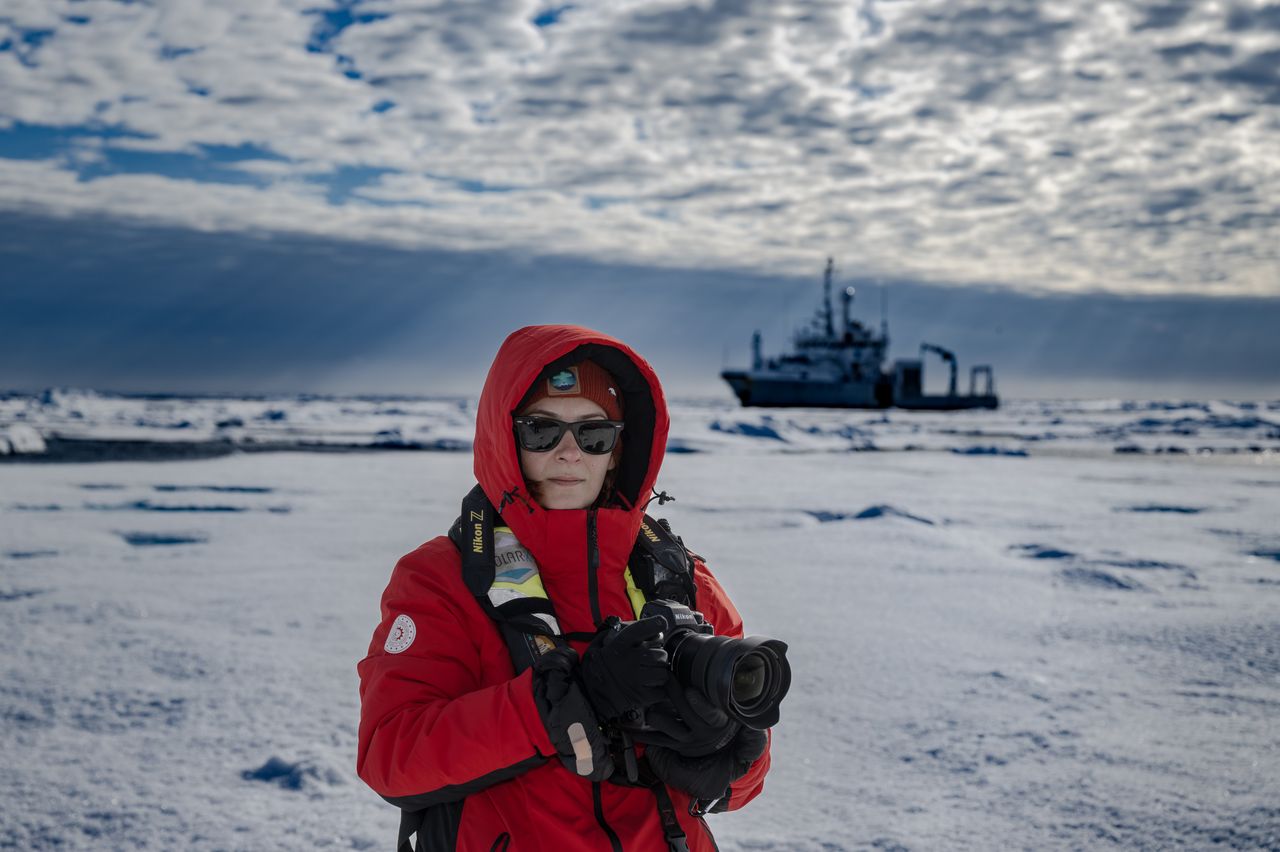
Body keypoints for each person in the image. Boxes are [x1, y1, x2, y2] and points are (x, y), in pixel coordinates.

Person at [357, 325, 772, 852]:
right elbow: (390, 755)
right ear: (507, 438)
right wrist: (559, 705)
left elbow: (743, 785)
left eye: (593, 434)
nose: (569, 453)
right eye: (541, 431)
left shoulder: (682, 580)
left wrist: (725, 749)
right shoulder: (443, 579)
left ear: (617, 450)